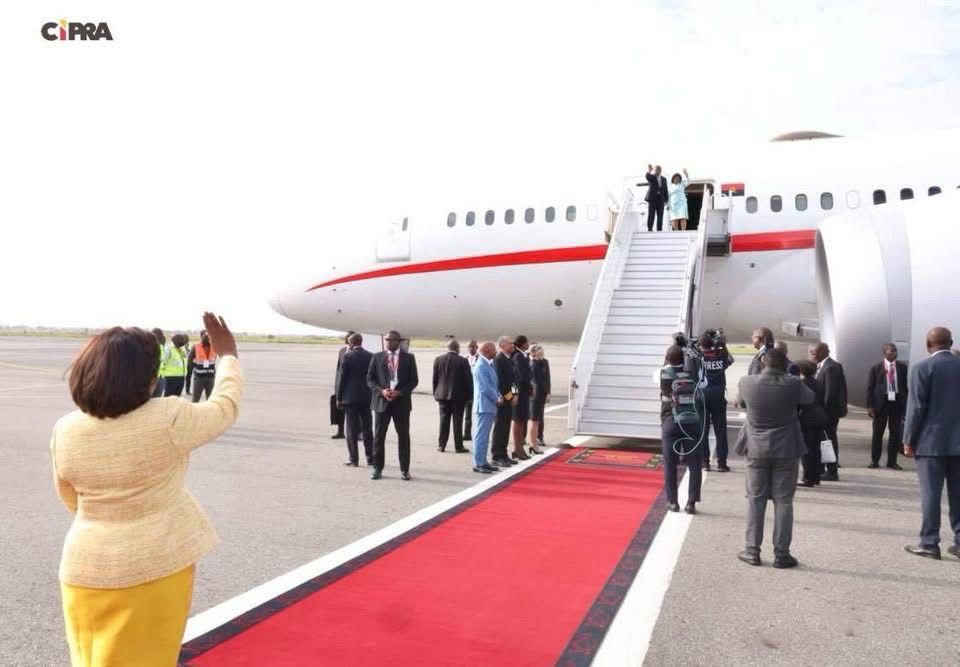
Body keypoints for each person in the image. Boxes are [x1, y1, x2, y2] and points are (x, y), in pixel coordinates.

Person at [50, 313, 242, 667]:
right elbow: (224, 407)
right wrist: (228, 356)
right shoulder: (168, 418)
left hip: (83, 568)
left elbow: (70, 497)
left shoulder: (66, 429)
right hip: (151, 568)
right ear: (150, 380)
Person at [735, 347, 813, 568]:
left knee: (755, 500)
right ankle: (782, 554)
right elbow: (810, 398)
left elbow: (741, 403)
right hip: (786, 448)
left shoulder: (747, 382)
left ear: (763, 362)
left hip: (756, 448)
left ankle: (752, 550)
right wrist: (794, 377)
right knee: (784, 501)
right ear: (785, 364)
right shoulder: (793, 383)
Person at [902, 327, 960, 561]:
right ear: (951, 343)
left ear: (928, 345)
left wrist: (908, 439)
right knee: (959, 495)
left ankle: (929, 543)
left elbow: (916, 408)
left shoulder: (922, 368)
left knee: (931, 495)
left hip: (930, 443)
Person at [367, 330, 419, 480]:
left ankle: (404, 470)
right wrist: (382, 391)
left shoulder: (409, 358)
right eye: (387, 340)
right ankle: (377, 468)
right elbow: (370, 379)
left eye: (391, 340)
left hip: (401, 404)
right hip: (381, 403)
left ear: (399, 342)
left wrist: (400, 393)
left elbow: (414, 380)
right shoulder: (377, 357)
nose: (388, 342)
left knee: (403, 437)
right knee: (379, 437)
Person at [660, 345, 703, 514]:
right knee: (694, 463)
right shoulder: (691, 374)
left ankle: (672, 501)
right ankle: (691, 502)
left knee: (670, 463)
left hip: (671, 421)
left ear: (667, 358)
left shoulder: (664, 374)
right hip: (691, 421)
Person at [866, 343, 908, 470]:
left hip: (896, 403)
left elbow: (905, 386)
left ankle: (892, 461)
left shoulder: (902, 368)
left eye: (895, 351)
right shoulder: (876, 368)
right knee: (877, 434)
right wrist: (870, 406)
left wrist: (906, 403)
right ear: (884, 353)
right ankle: (874, 460)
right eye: (891, 351)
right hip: (880, 405)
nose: (894, 353)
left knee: (895, 434)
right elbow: (870, 388)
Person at [809, 342, 847, 481]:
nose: (812, 355)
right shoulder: (823, 366)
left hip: (828, 413)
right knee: (824, 440)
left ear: (823, 352)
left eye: (813, 352)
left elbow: (830, 394)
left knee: (829, 441)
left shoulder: (831, 367)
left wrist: (822, 413)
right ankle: (826, 468)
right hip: (825, 412)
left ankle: (832, 471)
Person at [336, 333, 374, 467]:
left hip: (350, 398)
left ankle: (354, 459)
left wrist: (339, 397)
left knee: (351, 430)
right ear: (361, 342)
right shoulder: (371, 356)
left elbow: (342, 378)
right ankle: (370, 458)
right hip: (366, 397)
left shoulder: (347, 356)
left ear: (351, 343)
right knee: (367, 429)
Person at [699, 331, 733, 472]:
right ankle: (721, 463)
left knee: (703, 430)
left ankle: (705, 462)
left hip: (702, 395)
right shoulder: (720, 355)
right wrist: (723, 345)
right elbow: (730, 360)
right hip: (718, 395)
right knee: (720, 430)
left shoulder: (699, 357)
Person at [432, 339, 472, 454]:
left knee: (443, 421)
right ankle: (458, 446)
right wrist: (470, 395)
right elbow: (468, 380)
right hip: (458, 397)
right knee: (457, 422)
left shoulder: (438, 359)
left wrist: (436, 393)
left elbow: (435, 379)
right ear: (457, 349)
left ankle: (441, 445)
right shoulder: (463, 361)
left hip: (442, 396)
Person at [471, 342, 501, 475]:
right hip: (484, 405)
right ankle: (479, 463)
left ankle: (483, 461)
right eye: (494, 349)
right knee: (481, 436)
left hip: (489, 405)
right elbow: (485, 387)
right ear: (488, 351)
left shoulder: (488, 364)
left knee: (484, 436)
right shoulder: (481, 366)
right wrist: (497, 398)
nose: (496, 352)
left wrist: (499, 395)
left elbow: (493, 385)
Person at [796, 360, 827, 487]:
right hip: (820, 416)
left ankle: (808, 477)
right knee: (816, 448)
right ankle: (816, 476)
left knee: (806, 449)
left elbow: (800, 402)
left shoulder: (802, 384)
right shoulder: (818, 383)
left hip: (807, 418)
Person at [491, 336, 517, 467]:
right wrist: (510, 397)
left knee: (506, 428)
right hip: (502, 401)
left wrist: (515, 394)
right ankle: (497, 456)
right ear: (502, 346)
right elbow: (500, 383)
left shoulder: (509, 359)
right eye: (510, 343)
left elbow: (514, 380)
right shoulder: (499, 360)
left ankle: (504, 454)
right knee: (500, 428)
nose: (513, 345)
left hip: (509, 399)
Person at [511, 335, 533, 461]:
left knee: (521, 421)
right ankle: (517, 449)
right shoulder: (518, 356)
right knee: (518, 421)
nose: (528, 344)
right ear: (523, 344)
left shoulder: (522, 355)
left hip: (523, 393)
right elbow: (521, 377)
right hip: (520, 393)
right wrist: (530, 388)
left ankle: (518, 449)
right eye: (527, 342)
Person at [331, 331, 354, 439]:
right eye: (345, 336)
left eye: (348, 336)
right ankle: (340, 432)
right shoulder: (342, 351)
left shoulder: (358, 351)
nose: (345, 338)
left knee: (354, 411)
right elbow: (338, 369)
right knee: (339, 410)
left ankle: (358, 433)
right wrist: (336, 385)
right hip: (341, 385)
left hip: (352, 386)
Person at [527, 344, 550, 455]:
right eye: (539, 353)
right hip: (536, 396)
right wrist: (545, 392)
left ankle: (534, 443)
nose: (542, 354)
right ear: (534, 353)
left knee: (537, 421)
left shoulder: (542, 362)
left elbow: (546, 379)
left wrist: (547, 393)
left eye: (542, 352)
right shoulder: (534, 364)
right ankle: (533, 444)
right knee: (534, 420)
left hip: (541, 395)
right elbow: (538, 381)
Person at [187, 330, 218, 402]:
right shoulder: (195, 346)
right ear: (201, 337)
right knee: (195, 400)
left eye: (209, 336)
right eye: (205, 336)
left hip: (210, 378)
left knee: (211, 400)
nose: (207, 338)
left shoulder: (214, 347)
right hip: (199, 378)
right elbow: (189, 360)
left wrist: (213, 370)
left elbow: (214, 359)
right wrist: (194, 370)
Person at [642, 164, 668, 232]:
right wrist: (649, 170)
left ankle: (659, 229)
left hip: (661, 200)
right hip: (652, 199)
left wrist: (666, 200)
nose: (657, 171)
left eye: (659, 170)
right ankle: (650, 228)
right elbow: (647, 176)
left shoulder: (664, 179)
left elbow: (665, 189)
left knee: (660, 215)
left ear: (661, 171)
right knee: (651, 214)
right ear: (654, 170)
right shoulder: (651, 177)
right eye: (656, 170)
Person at [463, 340, 479, 442]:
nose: (471, 348)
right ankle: (467, 433)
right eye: (469, 346)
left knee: (478, 413)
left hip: (477, 389)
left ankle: (477, 433)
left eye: (473, 346)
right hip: (468, 390)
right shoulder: (464, 359)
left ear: (477, 348)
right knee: (467, 414)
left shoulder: (481, 359)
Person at [151, 328, 166, 398]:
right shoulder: (148, 347)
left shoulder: (162, 347)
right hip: (152, 377)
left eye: (160, 335)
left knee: (157, 398)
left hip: (161, 377)